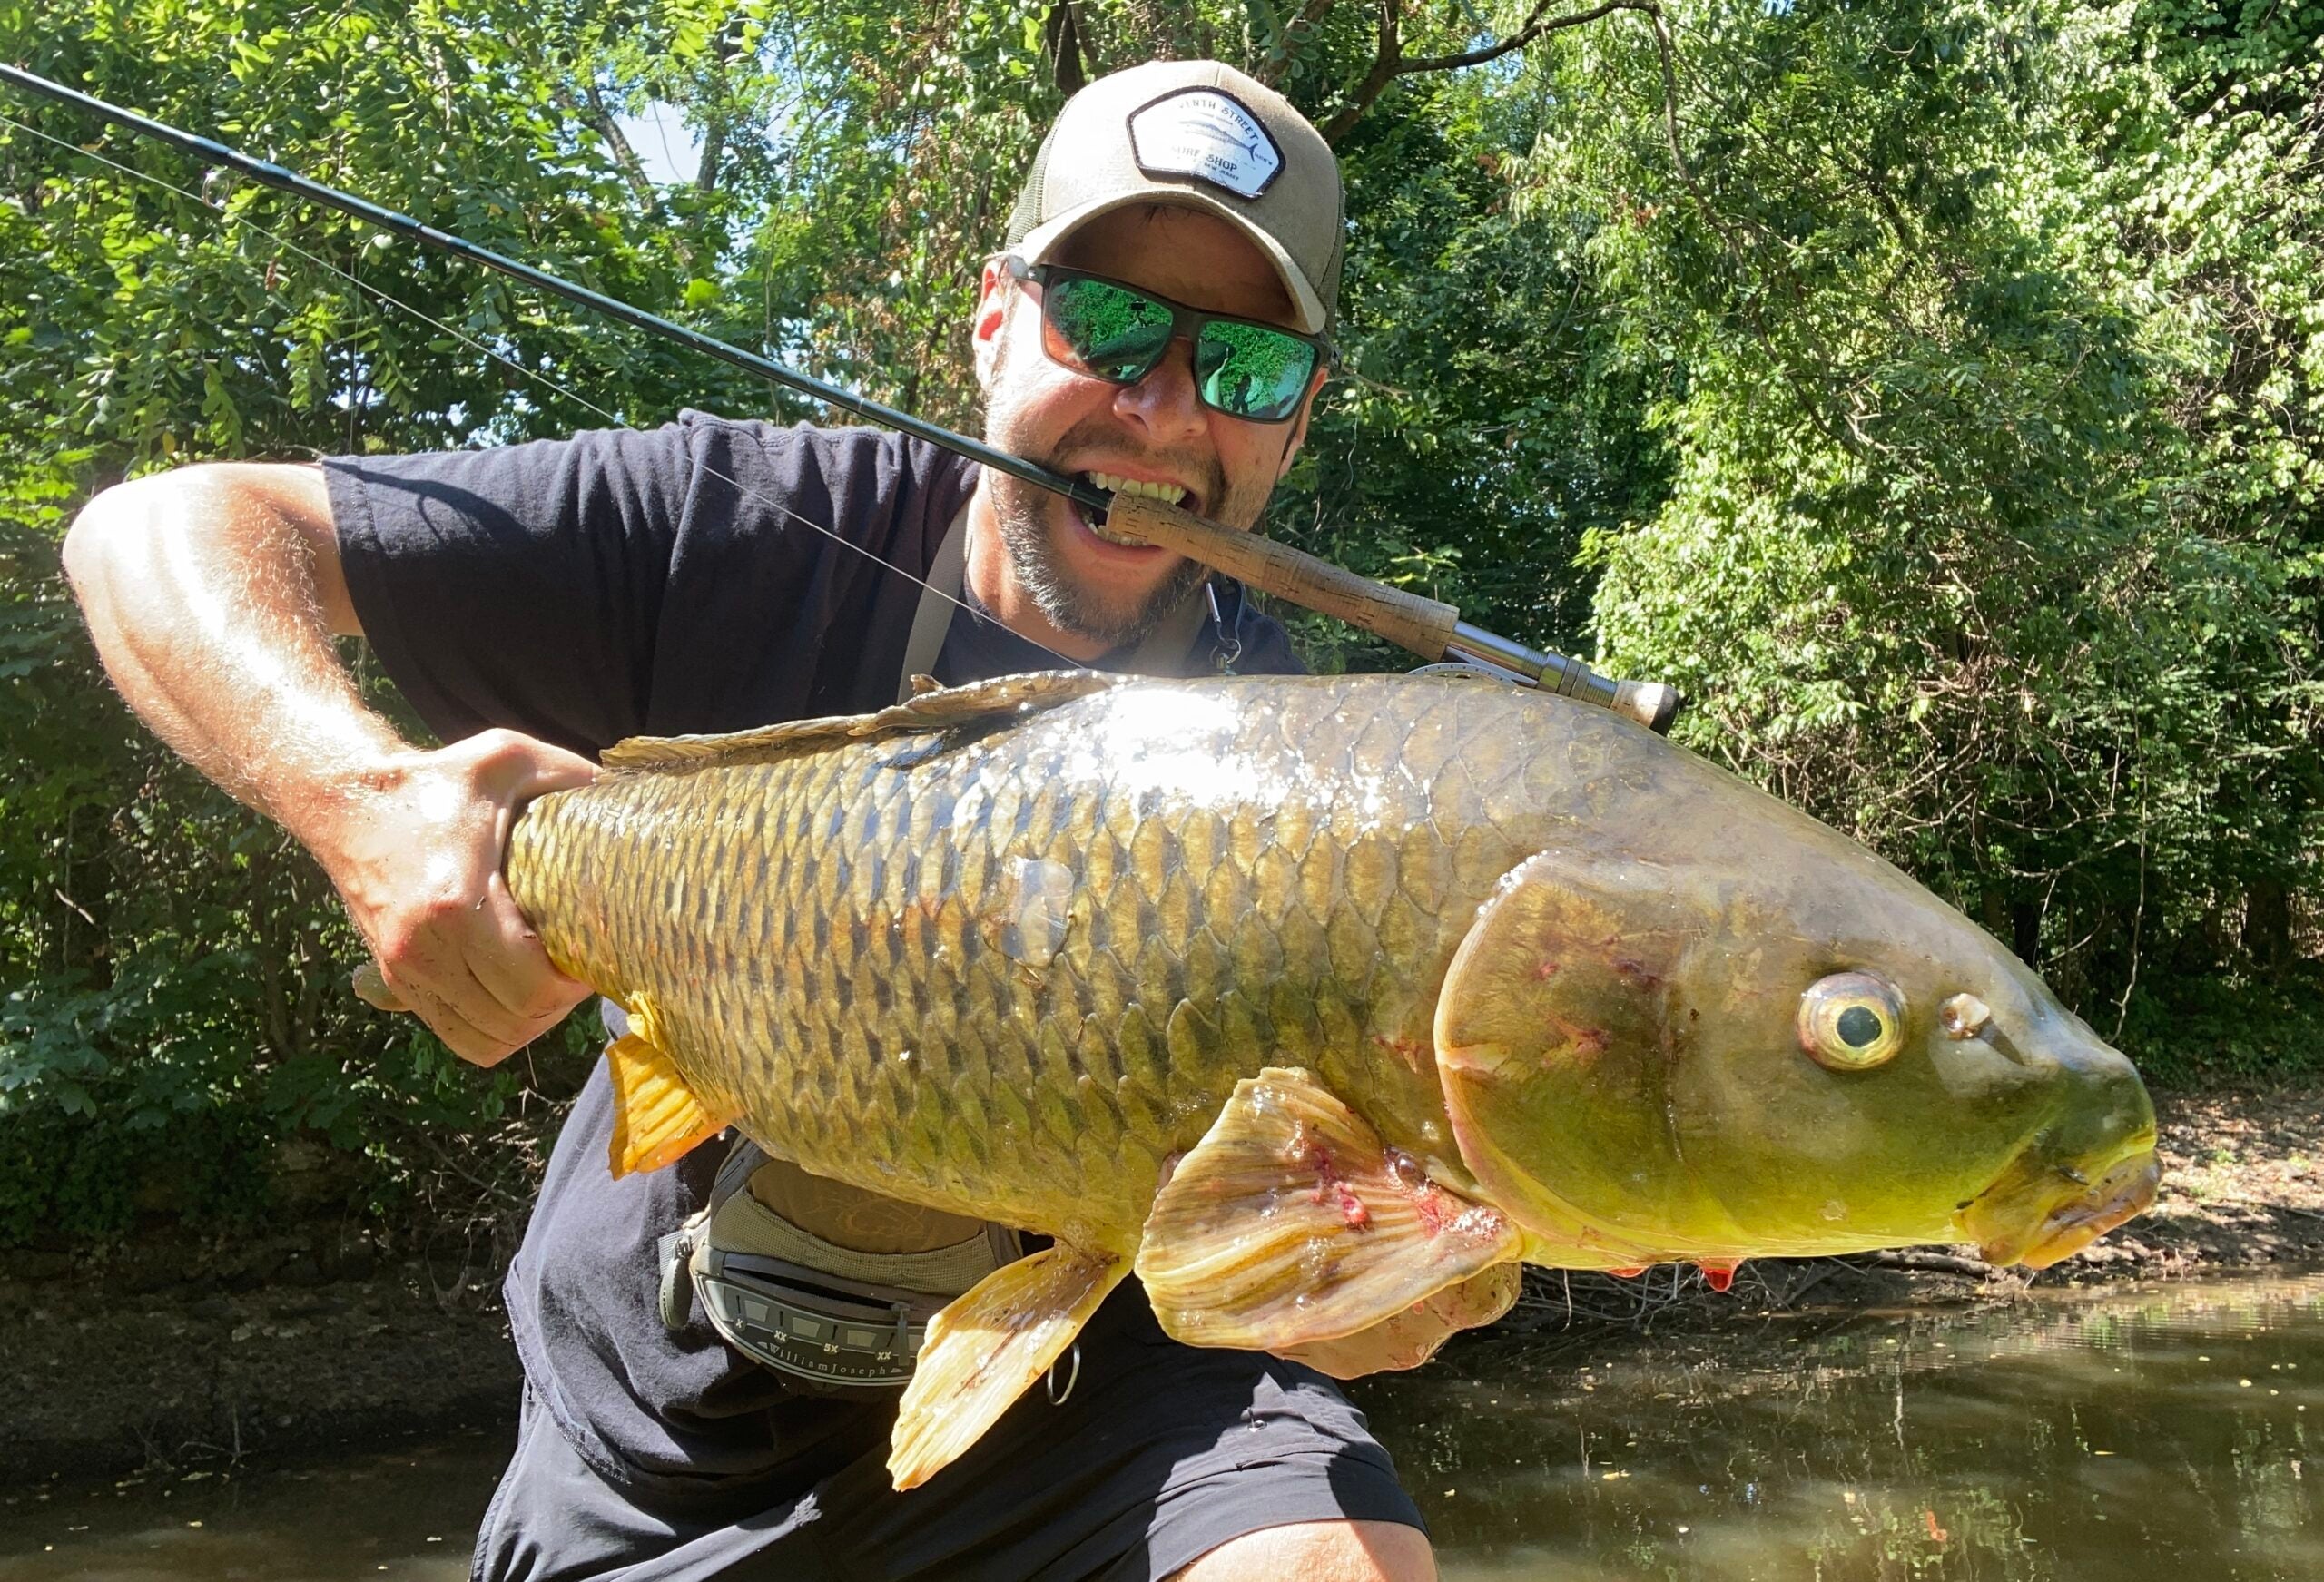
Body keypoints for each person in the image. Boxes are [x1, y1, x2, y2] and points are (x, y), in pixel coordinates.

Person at [65, 59, 1489, 1581]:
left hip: (1109, 1400)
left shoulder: (1313, 769)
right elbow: (157, 532)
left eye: (1249, 370)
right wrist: (363, 804)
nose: (1164, 408)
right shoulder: (734, 521)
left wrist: (1358, 1275)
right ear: (997, 315)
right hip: (669, 1447)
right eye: (1113, 320)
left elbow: (1289, 1220)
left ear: (1301, 417)